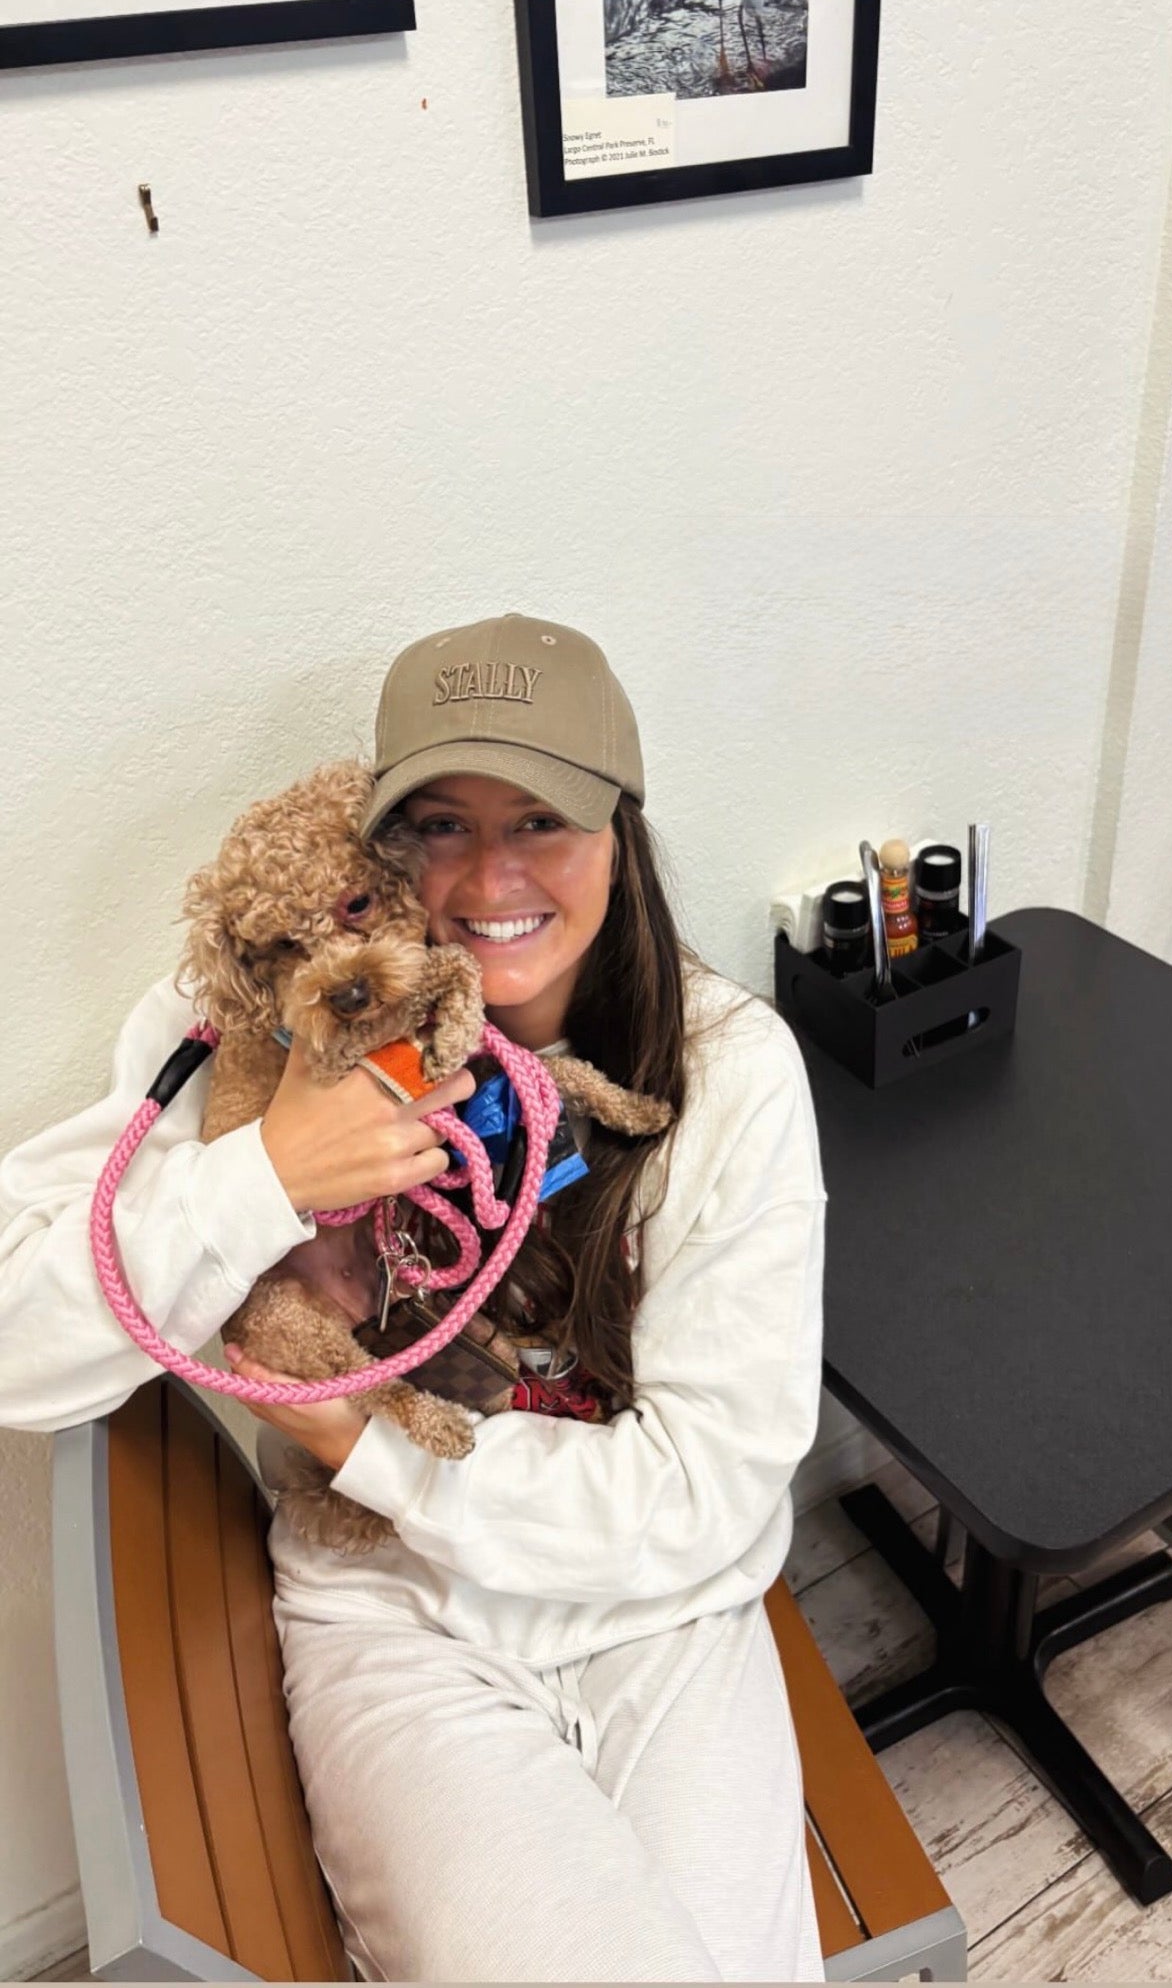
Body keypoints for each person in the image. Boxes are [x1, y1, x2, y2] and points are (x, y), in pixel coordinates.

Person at [0, 612, 827, 1984]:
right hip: (396, 1614)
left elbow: (710, 1492)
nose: (489, 877)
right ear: (374, 845)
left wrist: (356, 1440)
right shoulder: (252, 1024)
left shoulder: (728, 1068)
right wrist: (264, 1173)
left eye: (543, 819)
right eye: (436, 825)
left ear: (623, 832)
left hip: (662, 1608)